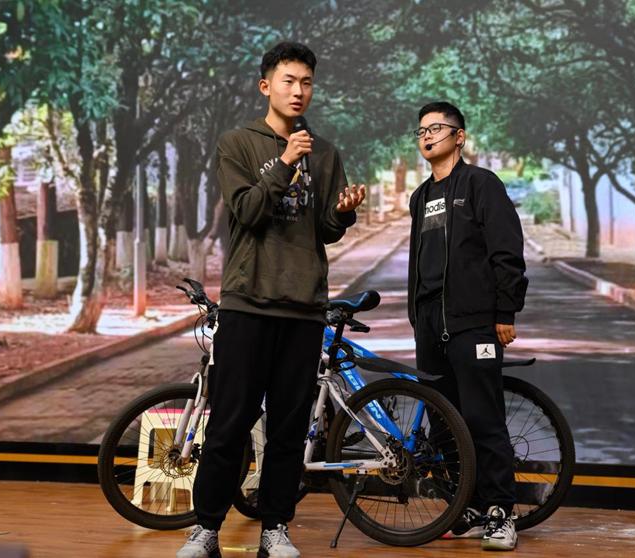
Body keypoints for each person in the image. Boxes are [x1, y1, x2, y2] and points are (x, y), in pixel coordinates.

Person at [177, 42, 366, 558]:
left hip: (303, 308)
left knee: (288, 430)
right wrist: (283, 162)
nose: (298, 90)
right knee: (229, 424)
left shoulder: (325, 153)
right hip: (248, 304)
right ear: (266, 86)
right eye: (288, 80)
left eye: (306, 82)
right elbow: (248, 211)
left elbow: (325, 230)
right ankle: (206, 530)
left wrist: (343, 211)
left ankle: (275, 528)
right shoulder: (237, 143)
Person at [407, 101, 528, 551]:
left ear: (459, 137)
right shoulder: (420, 197)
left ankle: (501, 512)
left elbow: (506, 250)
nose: (427, 135)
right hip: (429, 326)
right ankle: (471, 507)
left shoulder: (481, 184)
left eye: (436, 128)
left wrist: (505, 311)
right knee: (443, 424)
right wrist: (416, 317)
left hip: (473, 323)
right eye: (421, 130)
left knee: (482, 419)